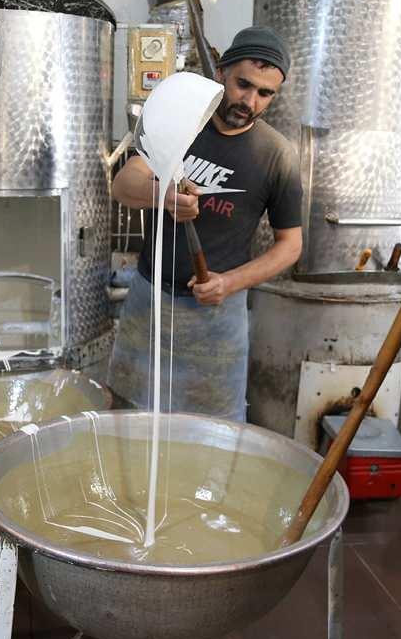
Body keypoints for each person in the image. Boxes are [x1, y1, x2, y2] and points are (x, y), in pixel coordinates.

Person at [107, 26, 303, 421]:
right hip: (150, 303)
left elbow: (290, 245)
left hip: (218, 316)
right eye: (243, 84)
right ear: (221, 73)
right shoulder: (181, 125)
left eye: (265, 93)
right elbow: (124, 184)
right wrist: (163, 195)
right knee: (131, 417)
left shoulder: (277, 155)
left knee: (212, 429)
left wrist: (229, 283)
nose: (249, 101)